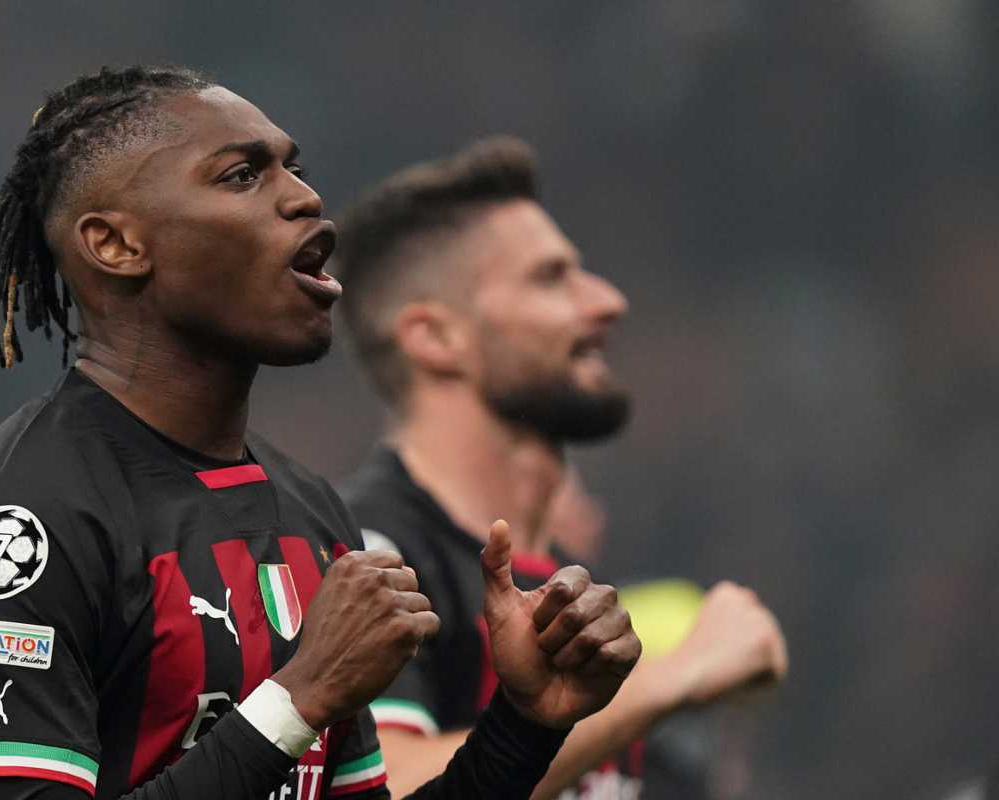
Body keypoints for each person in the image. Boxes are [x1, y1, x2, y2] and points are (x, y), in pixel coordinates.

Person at [0, 68, 644, 800]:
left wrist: (524, 723)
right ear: (116, 244)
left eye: (295, 169)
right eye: (242, 176)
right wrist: (300, 696)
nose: (304, 198)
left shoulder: (308, 509)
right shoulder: (24, 520)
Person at [334, 138, 789, 799]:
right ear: (435, 337)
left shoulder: (567, 577)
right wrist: (675, 675)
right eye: (550, 278)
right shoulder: (369, 553)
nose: (606, 301)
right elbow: (386, 787)